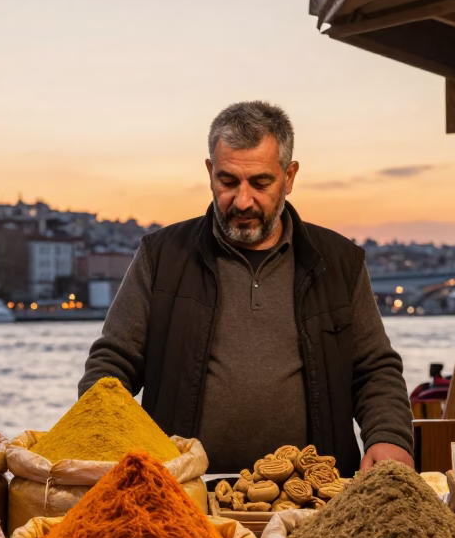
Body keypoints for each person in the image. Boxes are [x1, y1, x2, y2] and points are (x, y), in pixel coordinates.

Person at [79, 101, 414, 477]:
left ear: (289, 176)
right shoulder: (160, 256)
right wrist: (105, 438)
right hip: (181, 494)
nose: (242, 200)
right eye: (227, 181)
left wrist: (389, 437)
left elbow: (373, 370)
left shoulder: (339, 262)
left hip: (317, 498)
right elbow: (112, 364)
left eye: (260, 183)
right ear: (209, 172)